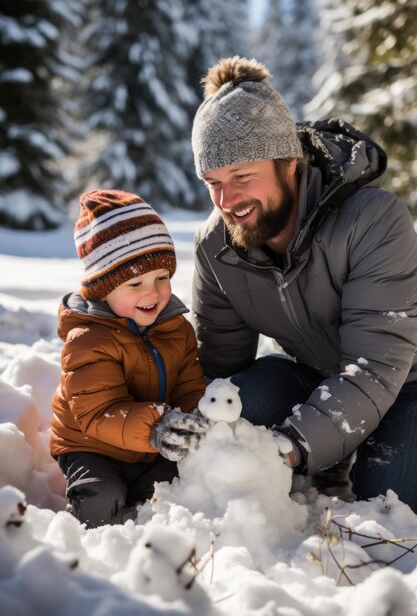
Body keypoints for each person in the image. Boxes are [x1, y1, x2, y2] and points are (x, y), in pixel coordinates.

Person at [191, 56, 417, 510]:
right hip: (314, 373)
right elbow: (216, 367)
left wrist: (291, 447)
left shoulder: (372, 220)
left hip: (407, 379)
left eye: (242, 177)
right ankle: (329, 447)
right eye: (212, 181)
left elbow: (377, 365)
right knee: (233, 415)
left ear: (290, 164)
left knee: (388, 497)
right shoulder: (216, 245)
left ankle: (342, 452)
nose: (226, 200)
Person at [51, 189, 208, 528]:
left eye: (161, 278)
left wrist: (196, 418)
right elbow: (97, 412)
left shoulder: (176, 329)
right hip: (93, 446)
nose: (152, 293)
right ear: (103, 289)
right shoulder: (88, 340)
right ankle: (88, 524)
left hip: (152, 446)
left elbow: (188, 384)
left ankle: (143, 510)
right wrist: (156, 426)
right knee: (100, 499)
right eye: (135, 283)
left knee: (184, 488)